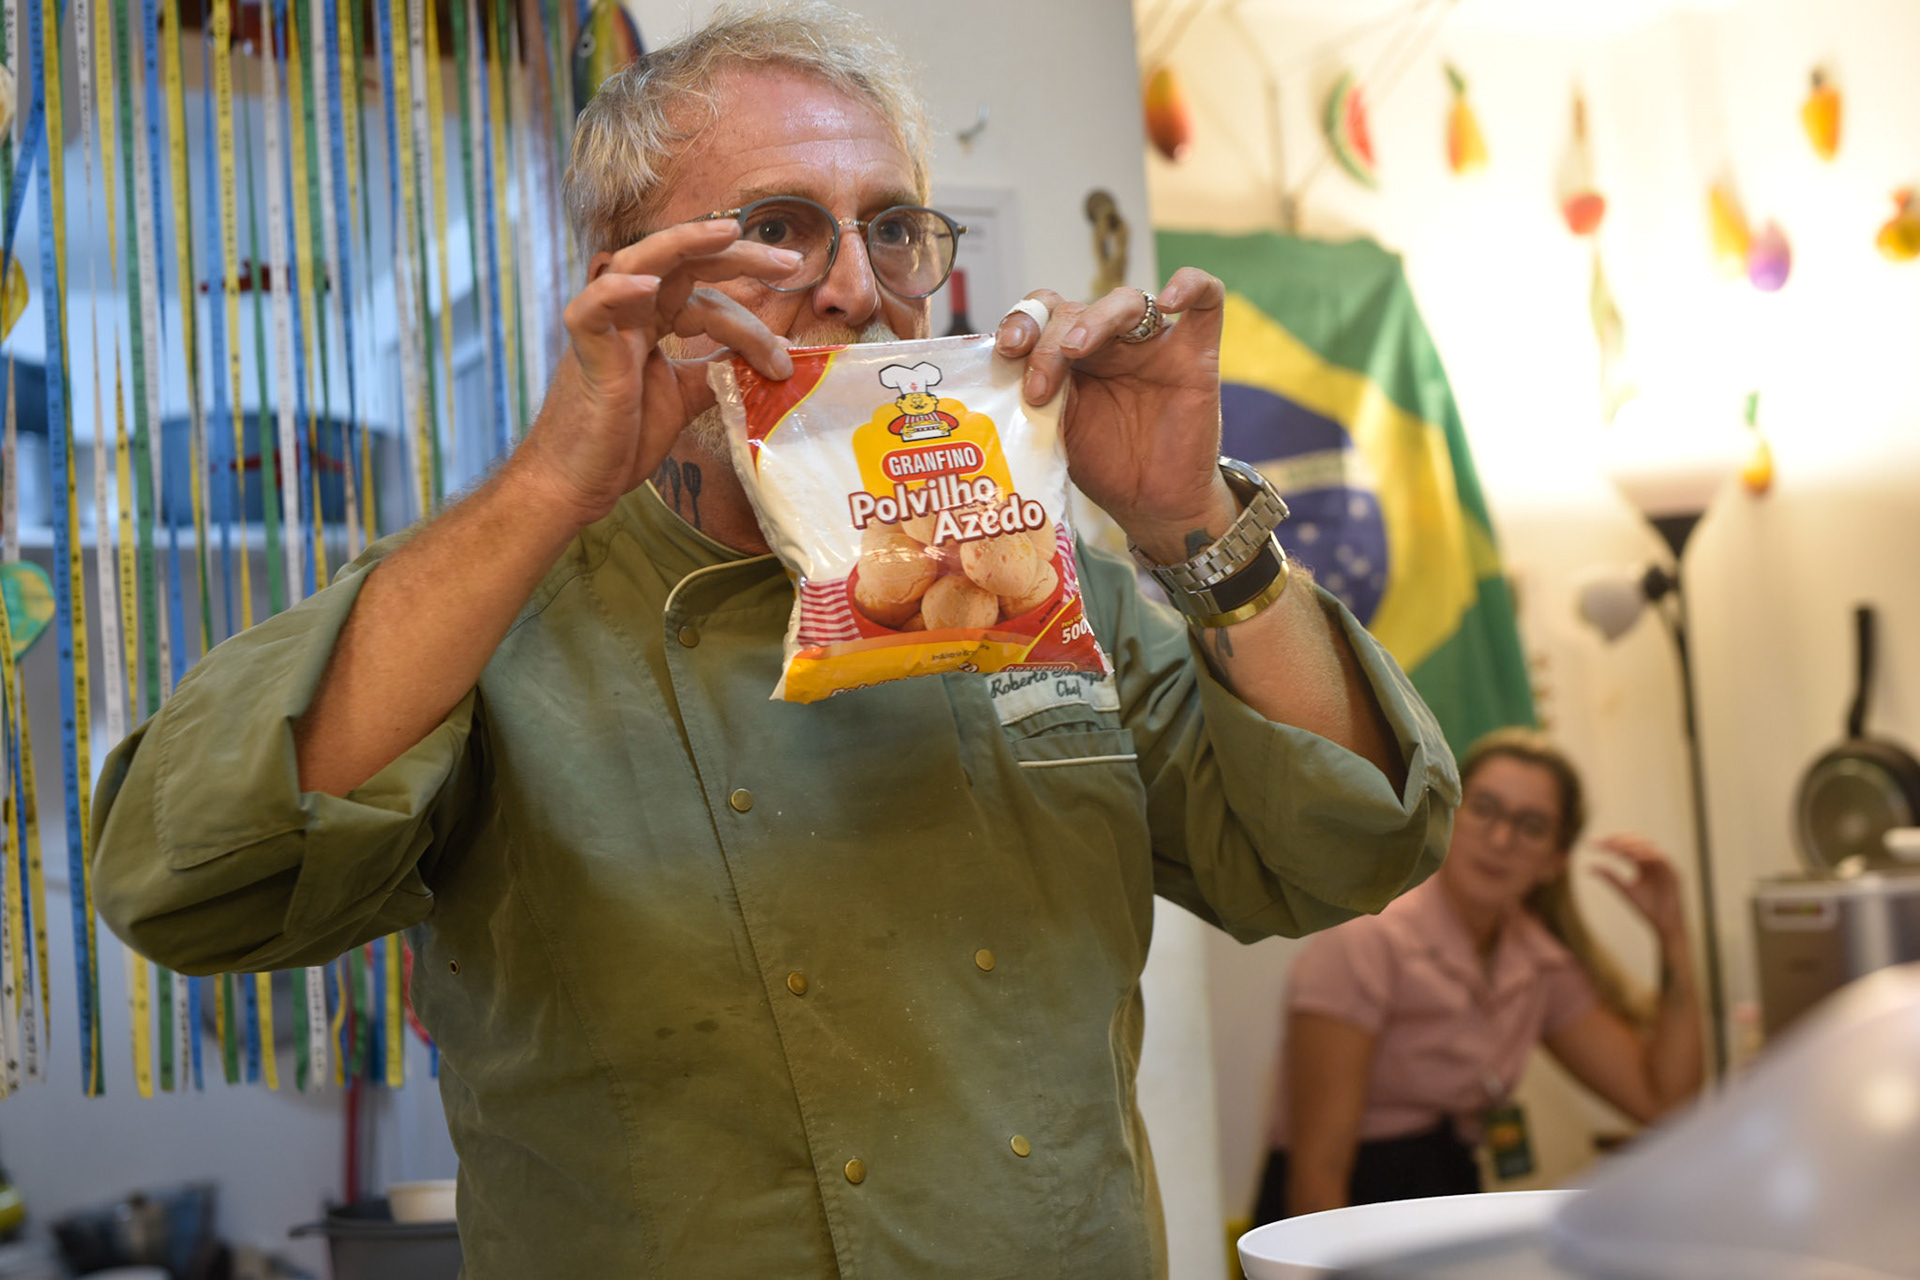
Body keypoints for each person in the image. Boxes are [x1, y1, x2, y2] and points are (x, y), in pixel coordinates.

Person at [90, 4, 1458, 1276]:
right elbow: (189, 880)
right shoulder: (493, 608)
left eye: (895, 230)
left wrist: (1184, 520)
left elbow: (1348, 845)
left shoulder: (1046, 586)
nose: (858, 289)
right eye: (784, 228)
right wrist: (552, 485)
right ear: (621, 277)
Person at [1253, 728, 1704, 1224]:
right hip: (1342, 1212)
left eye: (1531, 825)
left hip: (1447, 1201)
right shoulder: (1366, 943)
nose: (1501, 839)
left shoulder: (1539, 963)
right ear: (1448, 815)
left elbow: (1664, 1103)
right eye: (1485, 808)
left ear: (1555, 860)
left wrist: (1673, 937)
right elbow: (1318, 1174)